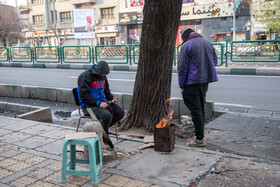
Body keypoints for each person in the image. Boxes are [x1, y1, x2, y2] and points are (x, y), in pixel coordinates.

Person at [178, 27, 218, 147]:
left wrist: (182, 85)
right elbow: (214, 61)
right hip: (204, 81)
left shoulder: (186, 45)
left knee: (195, 110)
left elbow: (182, 69)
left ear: (185, 36)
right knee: (200, 108)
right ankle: (200, 136)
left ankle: (199, 139)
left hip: (191, 82)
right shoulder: (208, 43)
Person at [77, 61, 125, 138]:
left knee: (120, 112)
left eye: (105, 75)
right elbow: (84, 96)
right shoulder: (85, 76)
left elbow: (106, 90)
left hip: (101, 103)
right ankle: (104, 136)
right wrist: (99, 103)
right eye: (102, 75)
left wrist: (111, 98)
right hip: (88, 106)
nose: (104, 76)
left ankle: (102, 129)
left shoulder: (103, 76)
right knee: (107, 115)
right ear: (97, 72)